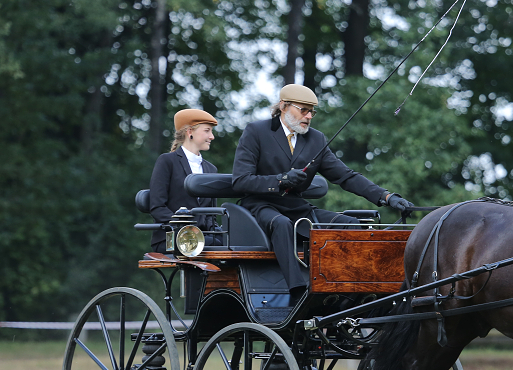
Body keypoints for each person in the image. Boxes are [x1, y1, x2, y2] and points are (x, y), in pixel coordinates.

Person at [232, 84, 414, 297]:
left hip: (297, 207)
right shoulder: (256, 131)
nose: (309, 116)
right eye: (304, 110)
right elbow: (241, 181)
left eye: (312, 112)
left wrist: (386, 196)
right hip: (260, 204)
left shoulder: (315, 139)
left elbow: (346, 176)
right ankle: (299, 291)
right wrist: (280, 180)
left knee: (352, 225)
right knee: (281, 224)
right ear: (283, 106)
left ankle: (348, 289)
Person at [148, 109, 219, 253]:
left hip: (202, 238)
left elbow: (211, 216)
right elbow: (157, 207)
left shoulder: (211, 169)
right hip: (171, 236)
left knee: (230, 244)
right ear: (189, 132)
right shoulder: (167, 161)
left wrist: (215, 230)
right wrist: (186, 225)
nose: (211, 136)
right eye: (207, 131)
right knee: (215, 246)